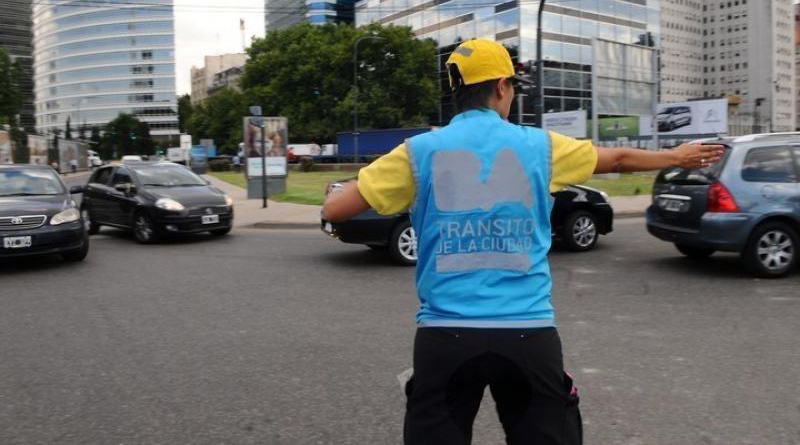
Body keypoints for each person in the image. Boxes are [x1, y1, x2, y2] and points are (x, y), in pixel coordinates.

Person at [322, 39, 723, 444]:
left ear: (457, 92)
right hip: (528, 333)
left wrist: (334, 193)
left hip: (444, 336)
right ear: (500, 87)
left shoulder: (418, 152)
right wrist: (677, 156)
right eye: (513, 86)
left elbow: (336, 210)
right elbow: (617, 159)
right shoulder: (540, 147)